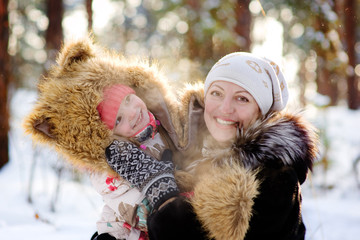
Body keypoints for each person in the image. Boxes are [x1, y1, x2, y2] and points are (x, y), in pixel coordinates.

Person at [105, 52, 319, 240]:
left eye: (242, 99)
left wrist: (158, 187)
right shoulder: (192, 153)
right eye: (216, 93)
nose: (225, 109)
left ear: (261, 112)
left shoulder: (275, 176)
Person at [91, 84, 180, 240]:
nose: (132, 113)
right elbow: (138, 211)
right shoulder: (117, 159)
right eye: (118, 120)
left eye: (127, 100)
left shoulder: (167, 122)